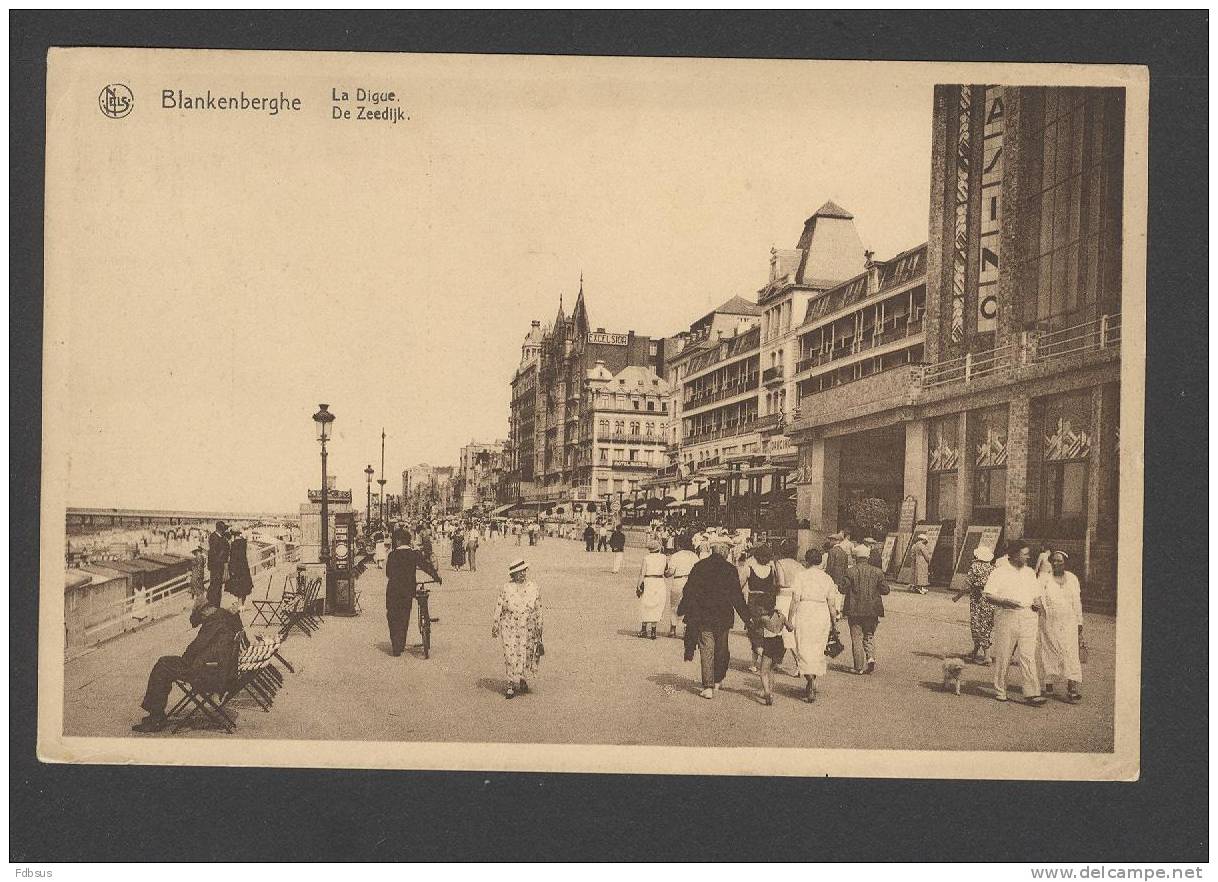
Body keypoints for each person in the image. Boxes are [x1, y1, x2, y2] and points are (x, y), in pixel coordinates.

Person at [131, 597, 244, 732]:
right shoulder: (224, 616)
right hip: (219, 671)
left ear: (207, 609)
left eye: (202, 615)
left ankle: (156, 717)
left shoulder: (214, 621)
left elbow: (197, 646)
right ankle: (157, 714)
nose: (202, 619)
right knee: (166, 664)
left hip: (207, 672)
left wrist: (184, 659)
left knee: (162, 665)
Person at [677, 537, 753, 699]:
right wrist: (747, 617)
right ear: (724, 551)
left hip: (703, 615)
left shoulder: (699, 566)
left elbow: (689, 590)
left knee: (707, 649)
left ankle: (708, 686)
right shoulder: (730, 569)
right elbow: (736, 597)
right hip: (722, 617)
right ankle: (717, 679)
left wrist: (682, 609)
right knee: (721, 650)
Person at [983, 539, 1047, 706]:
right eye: (1024, 554)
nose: (1028, 557)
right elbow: (988, 594)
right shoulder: (999, 572)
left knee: (1028, 656)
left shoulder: (1029, 572)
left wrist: (1038, 603)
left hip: (1028, 617)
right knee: (1004, 655)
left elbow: (1036, 595)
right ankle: (1000, 690)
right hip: (1007, 615)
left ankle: (1032, 693)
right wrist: (1004, 601)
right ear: (1014, 555)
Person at [787, 548, 840, 702]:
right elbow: (832, 603)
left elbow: (795, 599)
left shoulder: (801, 576)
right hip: (821, 613)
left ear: (807, 560)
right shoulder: (827, 578)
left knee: (803, 647)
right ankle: (813, 679)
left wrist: (790, 619)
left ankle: (809, 679)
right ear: (820, 561)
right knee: (818, 648)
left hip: (805, 612)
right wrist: (834, 622)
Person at [385, 529, 442, 656]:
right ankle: (401, 643)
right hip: (408, 590)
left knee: (393, 616)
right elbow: (426, 566)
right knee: (404, 616)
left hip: (393, 591)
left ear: (398, 541)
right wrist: (436, 577)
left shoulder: (392, 555)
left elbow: (388, 573)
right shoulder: (414, 554)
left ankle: (396, 647)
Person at [1037, 550, 1084, 703]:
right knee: (1050, 651)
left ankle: (1072, 688)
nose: (1056, 563)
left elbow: (1077, 602)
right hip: (1049, 621)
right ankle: (1049, 684)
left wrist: (1079, 622)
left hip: (1069, 621)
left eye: (1060, 561)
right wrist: (1043, 610)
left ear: (1066, 563)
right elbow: (1037, 595)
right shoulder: (1045, 578)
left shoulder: (1072, 578)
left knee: (1070, 653)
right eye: (1054, 561)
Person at [492, 559, 543, 699]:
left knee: (526, 653)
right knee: (510, 654)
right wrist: (495, 623)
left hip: (528, 626)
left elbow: (538, 607)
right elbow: (499, 605)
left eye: (524, 571)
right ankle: (510, 684)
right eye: (518, 572)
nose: (522, 574)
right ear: (513, 575)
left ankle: (522, 679)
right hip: (509, 625)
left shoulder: (534, 586)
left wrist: (540, 625)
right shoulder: (506, 587)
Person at [840, 543, 889, 674]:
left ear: (856, 558)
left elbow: (842, 589)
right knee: (869, 635)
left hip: (854, 610)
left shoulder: (850, 571)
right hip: (872, 611)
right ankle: (871, 658)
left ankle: (858, 667)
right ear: (867, 557)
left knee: (856, 638)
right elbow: (886, 590)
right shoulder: (878, 572)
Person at [739, 544, 779, 674]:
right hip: (767, 601)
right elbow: (774, 586)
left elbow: (740, 584)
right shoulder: (771, 569)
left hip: (754, 602)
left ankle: (761, 659)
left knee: (754, 632)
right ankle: (755, 663)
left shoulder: (749, 568)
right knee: (764, 633)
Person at [957, 545, 996, 664]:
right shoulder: (992, 568)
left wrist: (957, 596)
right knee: (986, 625)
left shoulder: (975, 566)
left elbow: (968, 583)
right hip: (990, 599)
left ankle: (987, 657)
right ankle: (975, 651)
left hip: (978, 599)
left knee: (978, 625)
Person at [665, 534, 699, 639]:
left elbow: (670, 572)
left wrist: (665, 572)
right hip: (691, 582)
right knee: (689, 606)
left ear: (679, 544)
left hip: (678, 581)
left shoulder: (676, 556)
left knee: (674, 606)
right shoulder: (694, 556)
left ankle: (673, 629)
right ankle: (686, 630)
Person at [636, 539, 668, 639]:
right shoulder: (664, 557)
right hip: (659, 581)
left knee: (646, 604)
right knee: (657, 604)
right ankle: (654, 630)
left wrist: (638, 585)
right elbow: (666, 570)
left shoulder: (646, 558)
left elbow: (642, 573)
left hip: (648, 581)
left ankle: (644, 629)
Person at [225, 527, 253, 609]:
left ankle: (240, 604)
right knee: (244, 584)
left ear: (233, 534)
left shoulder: (234, 544)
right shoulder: (244, 542)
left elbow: (233, 557)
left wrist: (231, 568)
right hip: (244, 566)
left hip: (237, 567)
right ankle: (242, 604)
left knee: (238, 586)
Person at [206, 520, 230, 607]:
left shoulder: (218, 537)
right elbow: (215, 553)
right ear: (221, 529)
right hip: (216, 566)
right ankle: (212, 605)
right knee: (215, 586)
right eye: (224, 529)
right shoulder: (214, 538)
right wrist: (223, 561)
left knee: (217, 586)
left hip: (218, 566)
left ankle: (215, 605)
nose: (225, 531)